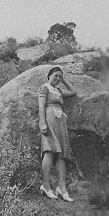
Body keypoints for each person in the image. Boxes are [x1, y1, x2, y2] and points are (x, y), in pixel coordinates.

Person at [38, 66, 77, 202]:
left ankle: (62, 188)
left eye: (60, 77)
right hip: (49, 120)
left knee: (62, 155)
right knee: (49, 151)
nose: (58, 79)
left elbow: (73, 91)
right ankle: (46, 185)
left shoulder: (59, 90)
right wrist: (42, 123)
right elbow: (41, 106)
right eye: (56, 76)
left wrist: (64, 80)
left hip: (60, 122)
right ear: (49, 76)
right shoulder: (45, 87)